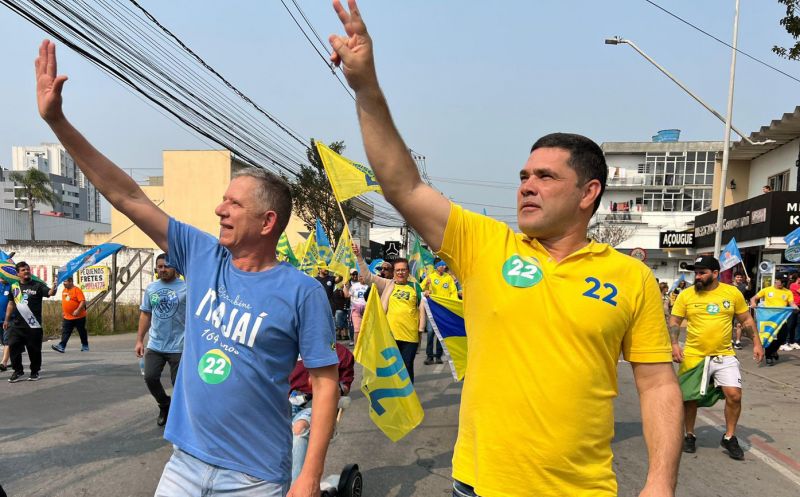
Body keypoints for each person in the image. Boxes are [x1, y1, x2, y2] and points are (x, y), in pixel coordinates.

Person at [329, 3, 683, 495]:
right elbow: (403, 187)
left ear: (589, 193)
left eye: (545, 177)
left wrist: (660, 481)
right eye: (523, 177)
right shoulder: (484, 244)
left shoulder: (632, 278)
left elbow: (658, 384)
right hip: (480, 483)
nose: (526, 187)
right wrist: (366, 88)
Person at [36, 39, 339, 496]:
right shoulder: (203, 255)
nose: (220, 209)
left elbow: (325, 382)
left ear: (267, 221)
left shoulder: (302, 292)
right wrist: (58, 121)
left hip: (254, 477)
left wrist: (310, 476)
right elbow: (128, 196)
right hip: (184, 465)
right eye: (223, 199)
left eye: (233, 203)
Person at [669, 256, 764, 461]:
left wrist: (757, 343)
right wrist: (674, 344)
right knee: (690, 399)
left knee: (734, 395)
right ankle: (690, 434)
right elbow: (675, 320)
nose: (698, 276)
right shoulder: (686, 295)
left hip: (724, 355)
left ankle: (729, 437)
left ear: (715, 273)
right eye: (696, 272)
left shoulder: (731, 293)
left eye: (702, 272)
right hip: (694, 355)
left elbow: (746, 319)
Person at [288, 343, 355, 485]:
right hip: (284, 403)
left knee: (300, 427)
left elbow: (345, 387)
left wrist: (328, 385)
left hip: (315, 405)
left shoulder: (340, 353)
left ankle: (296, 489)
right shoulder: (288, 347)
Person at [356, 250, 426, 384]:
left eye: (403, 270)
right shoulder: (388, 285)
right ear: (394, 272)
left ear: (408, 271)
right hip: (389, 337)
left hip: (410, 338)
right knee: (390, 372)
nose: (400, 272)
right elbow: (367, 277)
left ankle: (408, 402)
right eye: (398, 270)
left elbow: (423, 307)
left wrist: (427, 296)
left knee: (406, 370)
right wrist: (359, 257)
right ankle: (394, 402)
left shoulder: (415, 287)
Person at [134, 254, 187, 427]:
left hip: (180, 345)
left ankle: (180, 417)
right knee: (150, 377)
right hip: (156, 344)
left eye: (166, 266)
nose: (163, 269)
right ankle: (164, 405)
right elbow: (146, 314)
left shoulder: (187, 287)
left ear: (175, 268)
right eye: (160, 267)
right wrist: (139, 340)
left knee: (178, 384)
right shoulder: (151, 288)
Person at [3, 261, 53, 382]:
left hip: (33, 325)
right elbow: (11, 303)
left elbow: (50, 293)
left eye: (27, 269)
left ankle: (35, 372)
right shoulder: (14, 287)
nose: (26, 271)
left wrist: (54, 287)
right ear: (18, 273)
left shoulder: (38, 285)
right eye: (23, 270)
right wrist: (6, 319)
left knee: (34, 350)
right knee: (13, 346)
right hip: (16, 324)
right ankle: (18, 371)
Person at [750, 277, 797, 365]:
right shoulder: (767, 290)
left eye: (784, 282)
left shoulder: (788, 292)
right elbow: (753, 298)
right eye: (780, 282)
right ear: (775, 280)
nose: (781, 284)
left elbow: (791, 303)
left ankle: (774, 351)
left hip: (781, 319)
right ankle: (768, 357)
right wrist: (753, 303)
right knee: (769, 337)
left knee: (782, 337)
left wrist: (795, 307)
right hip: (768, 318)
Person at [421, 261, 457, 365]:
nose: (444, 267)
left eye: (444, 265)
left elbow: (453, 292)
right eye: (441, 265)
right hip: (432, 309)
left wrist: (451, 305)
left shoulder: (448, 278)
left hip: (443, 310)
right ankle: (429, 356)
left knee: (440, 334)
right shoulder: (430, 277)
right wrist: (425, 288)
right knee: (431, 333)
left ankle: (438, 356)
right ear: (436, 267)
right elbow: (420, 288)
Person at [50, 276, 89, 353]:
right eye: (63, 282)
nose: (64, 283)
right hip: (67, 317)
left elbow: (82, 301)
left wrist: (78, 310)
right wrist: (64, 311)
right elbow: (65, 302)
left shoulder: (76, 290)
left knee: (82, 331)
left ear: (71, 282)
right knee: (65, 332)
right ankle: (62, 346)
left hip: (79, 316)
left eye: (65, 281)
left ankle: (85, 346)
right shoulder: (64, 290)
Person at [343, 270, 367, 346]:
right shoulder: (354, 286)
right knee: (357, 329)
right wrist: (345, 286)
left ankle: (366, 346)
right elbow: (347, 295)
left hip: (367, 309)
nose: (361, 278)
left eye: (362, 276)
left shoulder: (369, 285)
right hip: (356, 309)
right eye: (360, 276)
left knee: (366, 329)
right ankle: (356, 349)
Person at [732, 272, 752, 349]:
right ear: (734, 278)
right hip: (730, 307)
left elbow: (749, 288)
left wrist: (749, 282)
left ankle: (738, 342)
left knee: (739, 325)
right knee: (729, 325)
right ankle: (730, 341)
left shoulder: (743, 286)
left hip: (740, 308)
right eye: (737, 277)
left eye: (740, 277)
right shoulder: (729, 286)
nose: (739, 278)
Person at [785, 273, 800, 351]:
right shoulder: (793, 285)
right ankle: (786, 342)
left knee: (798, 324)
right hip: (793, 307)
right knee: (790, 324)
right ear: (798, 278)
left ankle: (794, 341)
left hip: (799, 307)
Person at [0, 280, 10, 372]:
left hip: (9, 320)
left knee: (7, 341)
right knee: (3, 341)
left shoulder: (13, 286)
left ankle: (4, 363)